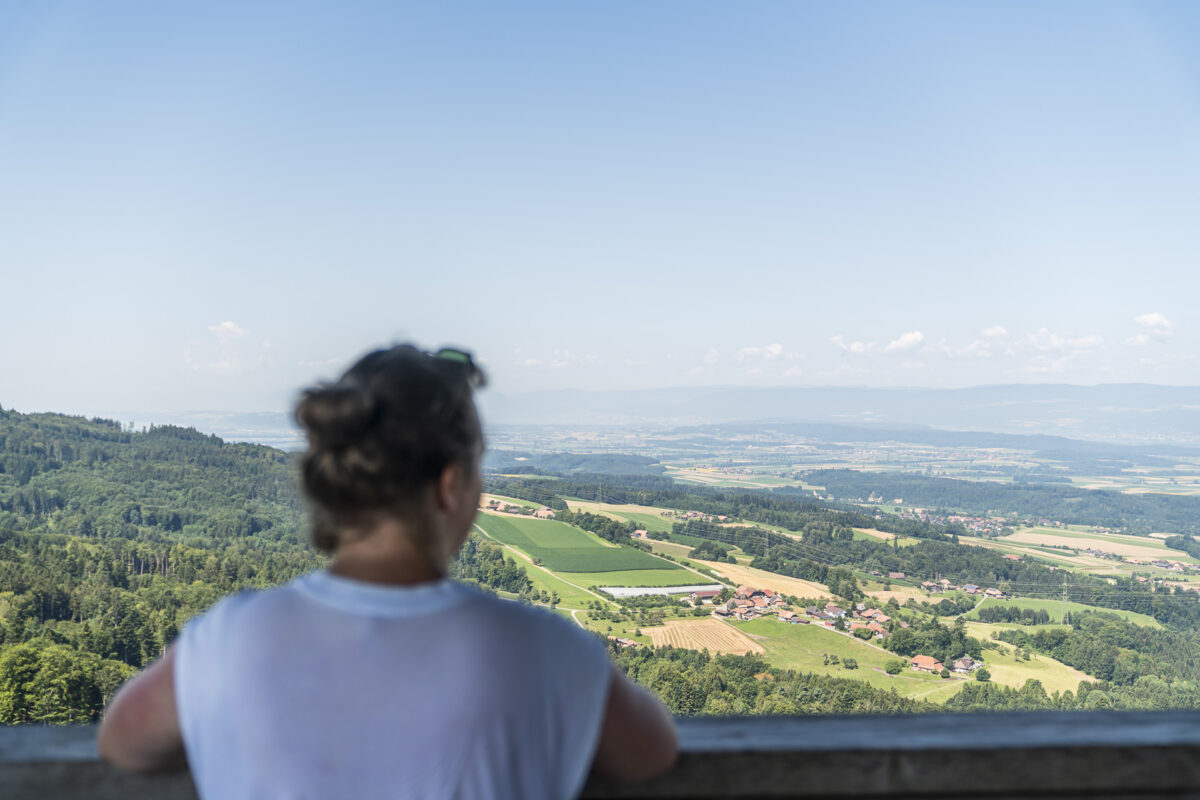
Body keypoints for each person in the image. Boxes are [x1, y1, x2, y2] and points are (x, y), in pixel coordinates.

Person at [98, 344, 678, 798]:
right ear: (450, 486)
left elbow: (124, 744)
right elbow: (651, 752)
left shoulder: (228, 638)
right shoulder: (546, 648)